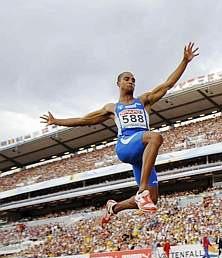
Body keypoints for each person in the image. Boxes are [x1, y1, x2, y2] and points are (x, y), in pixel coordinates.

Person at [40, 43, 199, 226]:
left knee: (153, 200)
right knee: (155, 137)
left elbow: (168, 84)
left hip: (142, 154)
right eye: (127, 79)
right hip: (126, 145)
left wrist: (184, 62)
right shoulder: (112, 108)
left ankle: (114, 208)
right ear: (118, 83)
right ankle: (141, 192)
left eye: (133, 79)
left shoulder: (144, 101)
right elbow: (85, 120)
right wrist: (57, 121)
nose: (131, 81)